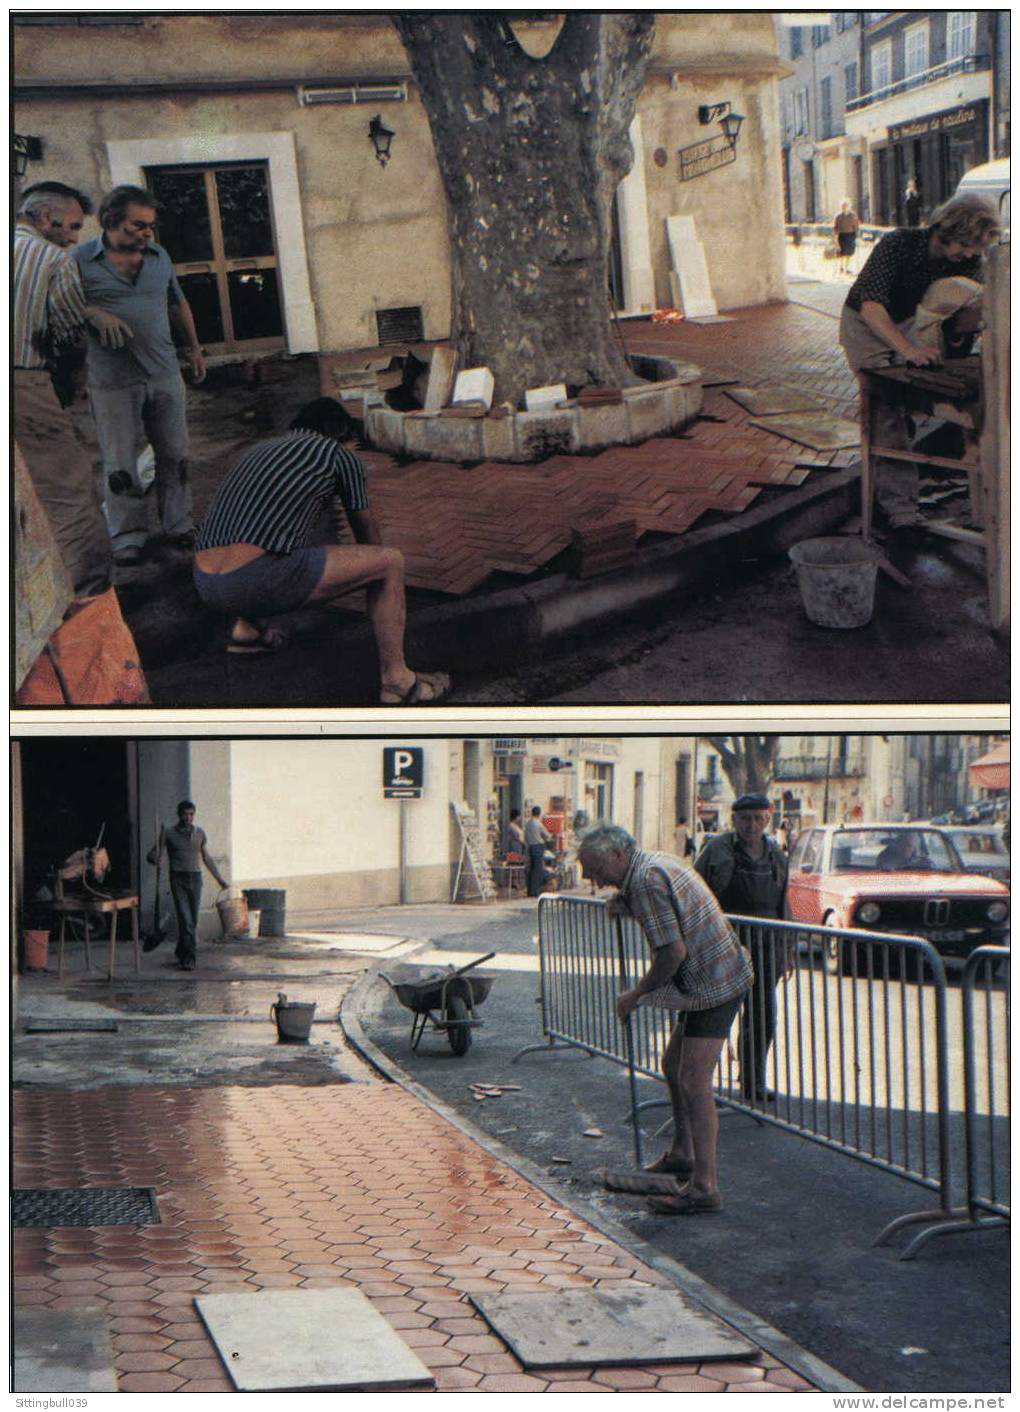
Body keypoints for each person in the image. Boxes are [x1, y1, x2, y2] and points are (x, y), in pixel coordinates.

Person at [193, 397, 451, 704]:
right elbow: (366, 532)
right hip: (254, 581)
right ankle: (397, 681)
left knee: (262, 539)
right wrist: (378, 588)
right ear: (338, 431)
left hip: (205, 581)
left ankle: (246, 631)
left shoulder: (257, 450)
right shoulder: (337, 455)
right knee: (389, 562)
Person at [578, 824, 753, 1215]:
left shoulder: (646, 883)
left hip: (715, 981)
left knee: (694, 1079)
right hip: (710, 976)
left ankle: (704, 1187)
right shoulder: (650, 867)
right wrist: (624, 902)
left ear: (618, 857)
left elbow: (672, 952)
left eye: (594, 869)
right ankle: (683, 1154)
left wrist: (636, 994)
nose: (592, 879)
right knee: (673, 1066)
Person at [839, 193, 1000, 530]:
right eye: (966, 245)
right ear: (946, 229)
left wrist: (972, 326)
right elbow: (871, 305)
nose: (970, 254)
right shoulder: (899, 244)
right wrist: (909, 351)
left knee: (921, 395)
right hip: (868, 324)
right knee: (886, 406)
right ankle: (901, 511)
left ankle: (985, 508)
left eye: (976, 249)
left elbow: (966, 315)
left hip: (914, 324)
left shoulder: (967, 261)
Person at [72, 184, 205, 567]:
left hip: (163, 374)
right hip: (112, 381)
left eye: (150, 226)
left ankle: (179, 526)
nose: (148, 233)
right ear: (111, 221)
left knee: (176, 455)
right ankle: (128, 535)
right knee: (120, 462)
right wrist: (92, 313)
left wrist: (194, 348)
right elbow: (60, 306)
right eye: (138, 226)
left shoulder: (160, 256)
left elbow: (178, 303)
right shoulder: (80, 260)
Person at [13, 182, 132, 595]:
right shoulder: (50, 259)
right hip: (23, 383)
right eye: (73, 226)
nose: (74, 238)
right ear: (47, 218)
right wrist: (66, 392)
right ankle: (86, 595)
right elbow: (68, 340)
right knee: (68, 494)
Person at [694, 794, 790, 1104]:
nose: (752, 825)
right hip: (726, 946)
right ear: (734, 820)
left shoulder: (776, 854)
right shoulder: (716, 851)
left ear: (767, 820)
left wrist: (787, 950)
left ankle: (753, 1081)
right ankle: (697, 1083)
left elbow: (783, 904)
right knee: (714, 1016)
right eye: (745, 818)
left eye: (758, 818)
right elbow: (695, 894)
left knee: (763, 1017)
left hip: (765, 947)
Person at [147, 800, 227, 970]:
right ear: (179, 814)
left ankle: (180, 950)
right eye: (185, 814)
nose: (188, 817)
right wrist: (155, 859)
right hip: (178, 879)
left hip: (196, 879)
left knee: (192, 921)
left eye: (191, 814)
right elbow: (152, 854)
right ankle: (189, 958)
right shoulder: (168, 833)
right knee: (186, 919)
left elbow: (207, 859)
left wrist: (219, 879)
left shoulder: (200, 834)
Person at [524, 806, 554, 897]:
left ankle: (529, 890)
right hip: (538, 846)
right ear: (539, 813)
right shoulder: (538, 824)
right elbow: (547, 835)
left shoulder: (528, 823)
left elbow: (525, 836)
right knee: (537, 869)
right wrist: (551, 836)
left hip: (530, 847)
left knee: (531, 869)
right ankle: (535, 891)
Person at [833, 199, 860, 276]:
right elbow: (836, 227)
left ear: (849, 206)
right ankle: (841, 267)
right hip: (842, 235)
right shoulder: (838, 216)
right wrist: (835, 237)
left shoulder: (853, 215)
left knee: (850, 253)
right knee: (842, 252)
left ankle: (846, 268)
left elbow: (856, 225)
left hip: (850, 235)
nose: (845, 207)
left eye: (846, 206)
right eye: (843, 206)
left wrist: (857, 235)